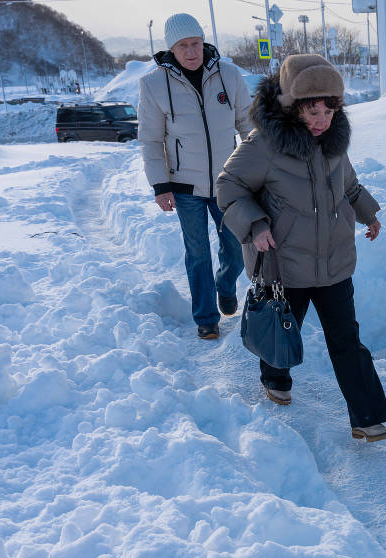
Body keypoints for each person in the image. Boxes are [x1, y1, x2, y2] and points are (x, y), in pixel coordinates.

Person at [216, 54, 386, 442]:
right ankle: (275, 377)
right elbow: (228, 186)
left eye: (329, 111)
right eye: (313, 112)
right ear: (292, 105)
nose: (322, 121)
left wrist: (368, 214)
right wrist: (255, 224)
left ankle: (366, 417)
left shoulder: (333, 143)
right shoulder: (264, 145)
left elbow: (349, 186)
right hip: (284, 264)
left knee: (346, 340)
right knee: (282, 328)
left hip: (334, 261)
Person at [137, 13, 253, 339]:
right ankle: (206, 318)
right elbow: (150, 140)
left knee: (236, 247)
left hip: (228, 182)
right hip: (184, 186)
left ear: (204, 42)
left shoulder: (229, 75)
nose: (191, 51)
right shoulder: (153, 84)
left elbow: (248, 124)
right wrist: (160, 185)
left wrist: (259, 169)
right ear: (171, 49)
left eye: (196, 43)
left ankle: (225, 285)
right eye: (183, 46)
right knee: (198, 252)